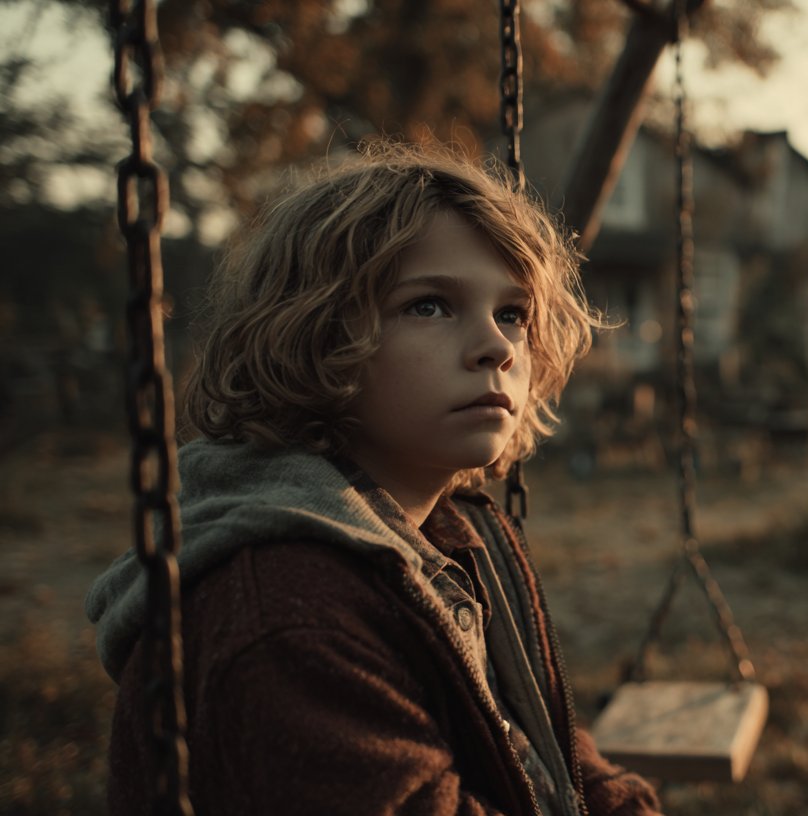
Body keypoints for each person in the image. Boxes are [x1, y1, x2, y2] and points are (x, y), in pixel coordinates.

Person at [85, 143, 663, 815]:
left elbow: (543, 748)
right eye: (430, 306)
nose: (498, 347)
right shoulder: (285, 619)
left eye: (512, 313)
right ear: (315, 332)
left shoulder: (458, 536)